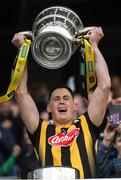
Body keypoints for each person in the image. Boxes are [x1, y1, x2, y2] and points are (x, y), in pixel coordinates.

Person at [11, 27, 111, 178]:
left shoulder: (87, 124)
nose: (61, 102)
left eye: (66, 98)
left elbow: (104, 86)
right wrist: (21, 52)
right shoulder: (40, 129)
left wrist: (94, 46)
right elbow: (21, 93)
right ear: (49, 107)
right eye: (56, 99)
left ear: (75, 106)